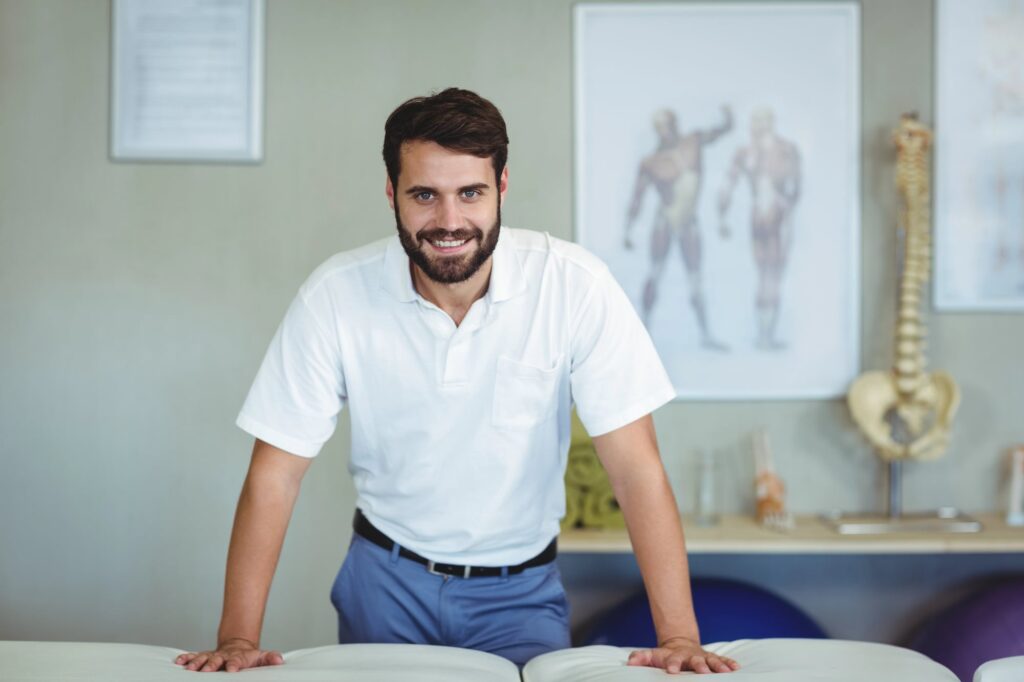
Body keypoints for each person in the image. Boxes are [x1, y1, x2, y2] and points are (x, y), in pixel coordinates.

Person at [174, 88, 739, 675]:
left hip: (520, 594)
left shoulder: (575, 286)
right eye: (425, 195)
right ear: (392, 194)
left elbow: (635, 470)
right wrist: (238, 637)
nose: (449, 221)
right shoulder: (335, 295)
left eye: (471, 193)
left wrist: (679, 635)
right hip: (384, 581)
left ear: (502, 187)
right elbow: (275, 475)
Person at [624, 106, 733, 350]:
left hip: (688, 221)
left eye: (668, 124)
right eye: (661, 126)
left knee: (695, 278)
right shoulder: (651, 162)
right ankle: (644, 334)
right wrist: (629, 229)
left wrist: (728, 121)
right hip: (665, 220)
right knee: (655, 272)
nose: (666, 130)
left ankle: (705, 335)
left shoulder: (692, 143)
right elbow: (637, 197)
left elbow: (716, 134)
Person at [717, 108, 801, 350]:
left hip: (780, 216)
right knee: (764, 275)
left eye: (761, 122)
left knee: (774, 275)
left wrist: (782, 202)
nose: (757, 127)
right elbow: (726, 185)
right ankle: (763, 335)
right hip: (759, 219)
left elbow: (796, 187)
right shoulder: (745, 153)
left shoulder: (786, 151)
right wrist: (722, 217)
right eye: (754, 122)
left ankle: (767, 334)